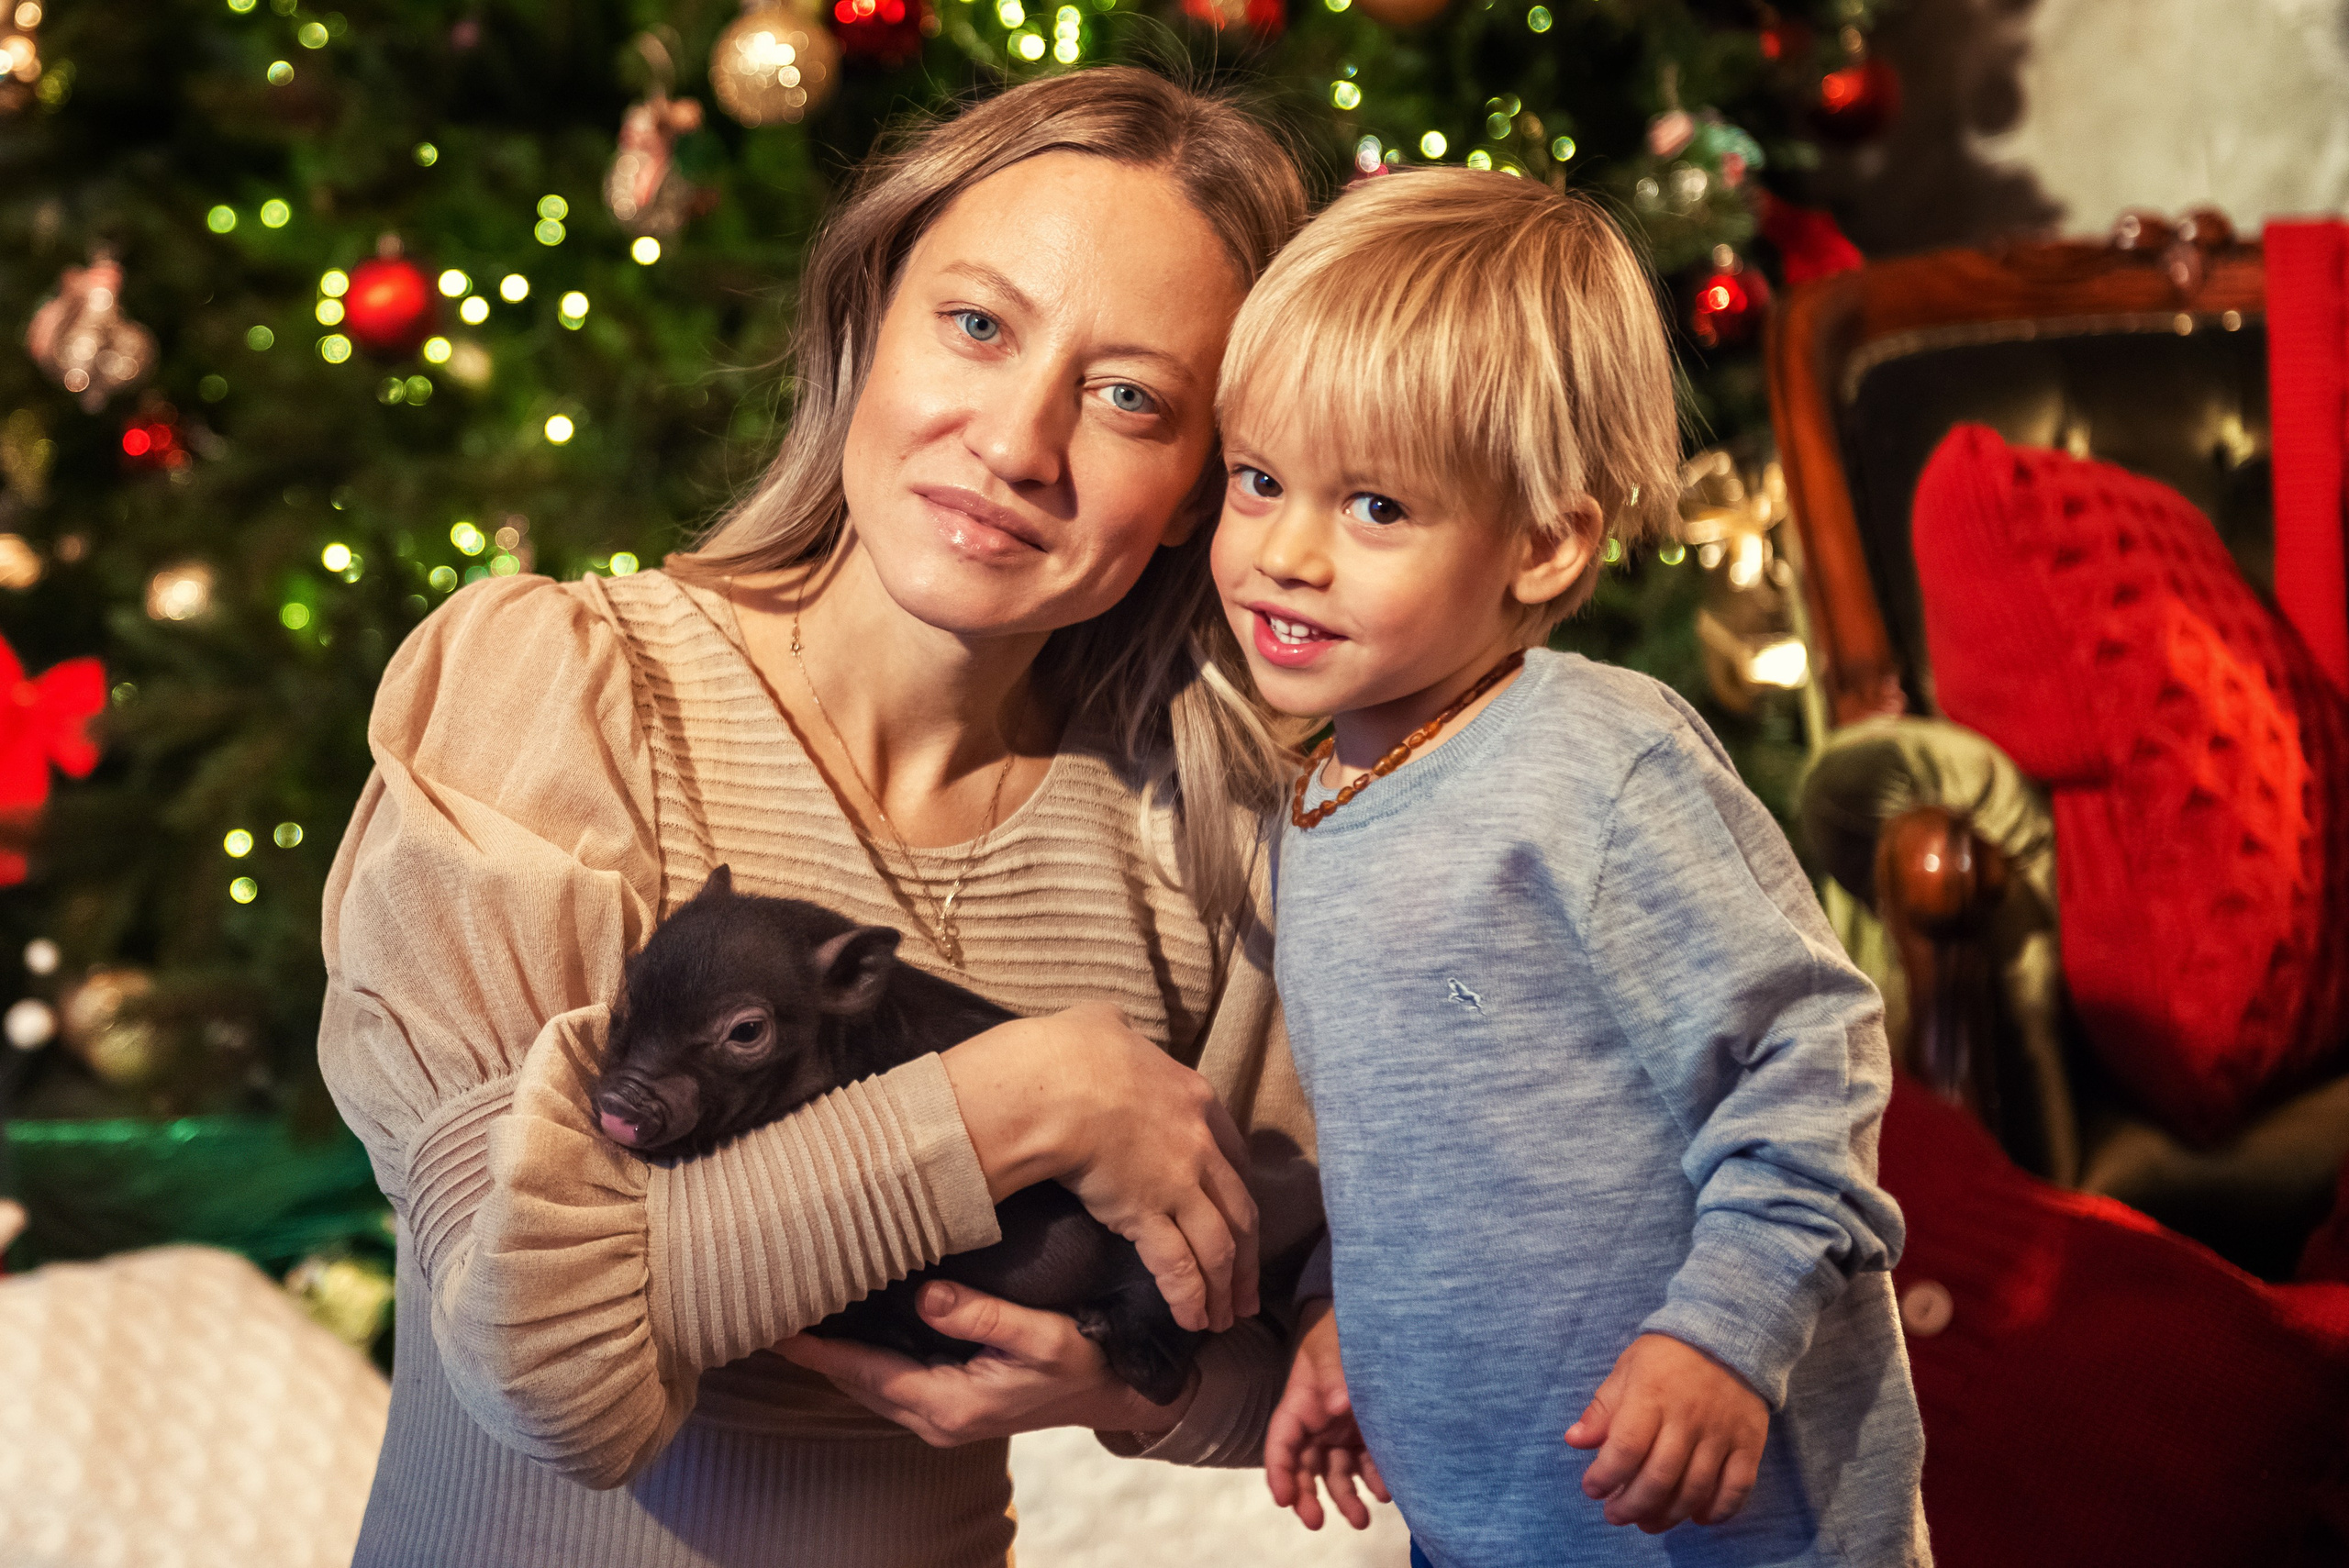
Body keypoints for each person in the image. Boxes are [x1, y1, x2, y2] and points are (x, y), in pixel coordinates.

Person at [317, 69, 1327, 1568]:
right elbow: (533, 1347)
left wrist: (1132, 1381)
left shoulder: (1189, 848)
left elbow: (1292, 1353)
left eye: (1130, 398)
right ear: (869, 331)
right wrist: (1021, 1099)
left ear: (1198, 490)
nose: (1016, 443)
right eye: (978, 326)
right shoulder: (562, 697)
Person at [1213, 171, 1931, 1566]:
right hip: (1483, 1518)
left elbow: (1814, 1051)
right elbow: (1411, 1151)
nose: (1285, 553)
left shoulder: (1596, 764)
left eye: (1372, 506)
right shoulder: (1309, 799)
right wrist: (1343, 1315)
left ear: (1545, 543)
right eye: (1257, 480)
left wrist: (1722, 1332)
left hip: (1733, 1525)